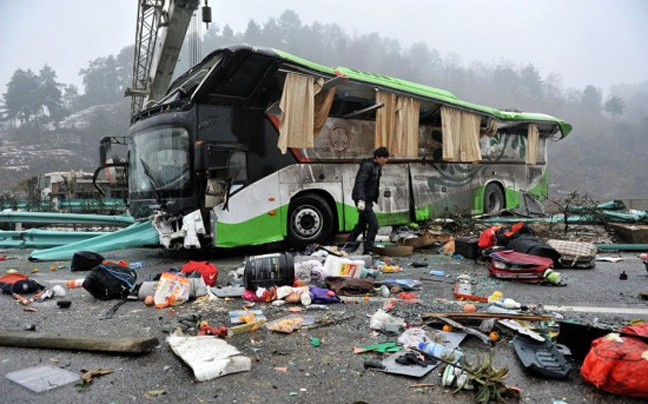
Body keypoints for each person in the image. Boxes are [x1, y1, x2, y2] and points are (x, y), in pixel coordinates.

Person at [346, 147, 390, 255]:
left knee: (362, 224)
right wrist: (361, 199)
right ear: (378, 157)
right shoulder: (367, 166)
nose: (386, 161)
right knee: (374, 224)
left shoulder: (377, 167)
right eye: (384, 158)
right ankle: (368, 250)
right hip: (362, 200)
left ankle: (349, 243)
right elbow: (360, 182)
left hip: (367, 200)